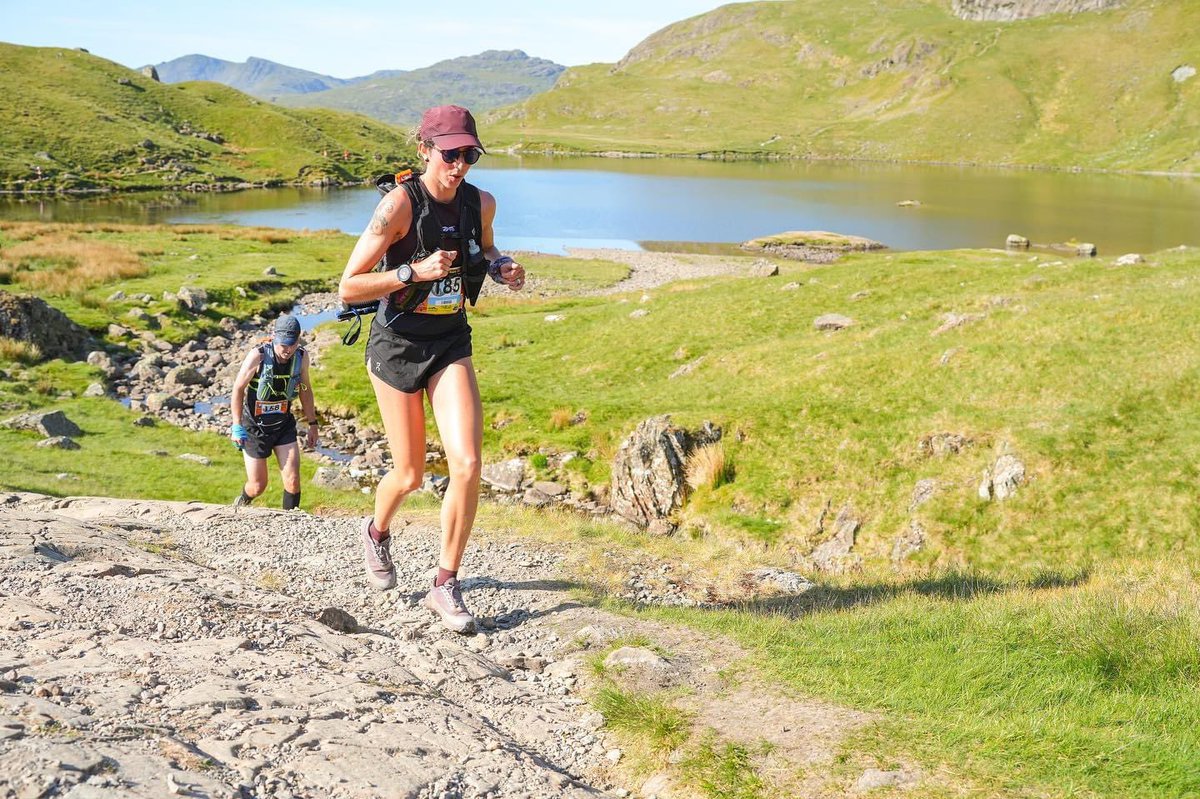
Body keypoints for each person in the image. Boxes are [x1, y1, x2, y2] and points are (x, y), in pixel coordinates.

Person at [338, 104, 525, 633]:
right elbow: (349, 285)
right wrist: (409, 271)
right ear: (425, 150)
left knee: (467, 464)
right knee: (411, 474)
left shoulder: (481, 202)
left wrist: (500, 266)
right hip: (396, 346)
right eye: (451, 154)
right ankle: (376, 532)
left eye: (469, 154)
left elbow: (484, 249)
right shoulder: (399, 206)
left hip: (449, 342)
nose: (460, 165)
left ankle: (445, 583)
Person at [229, 314, 318, 510]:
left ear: (298, 339)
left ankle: (290, 525)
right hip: (255, 427)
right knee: (257, 486)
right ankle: (239, 505)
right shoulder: (258, 355)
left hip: (283, 424)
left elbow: (305, 390)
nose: (287, 350)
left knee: (293, 481)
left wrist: (312, 424)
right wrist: (236, 425)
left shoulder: (301, 357)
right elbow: (238, 388)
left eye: (291, 344)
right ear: (274, 337)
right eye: (283, 345)